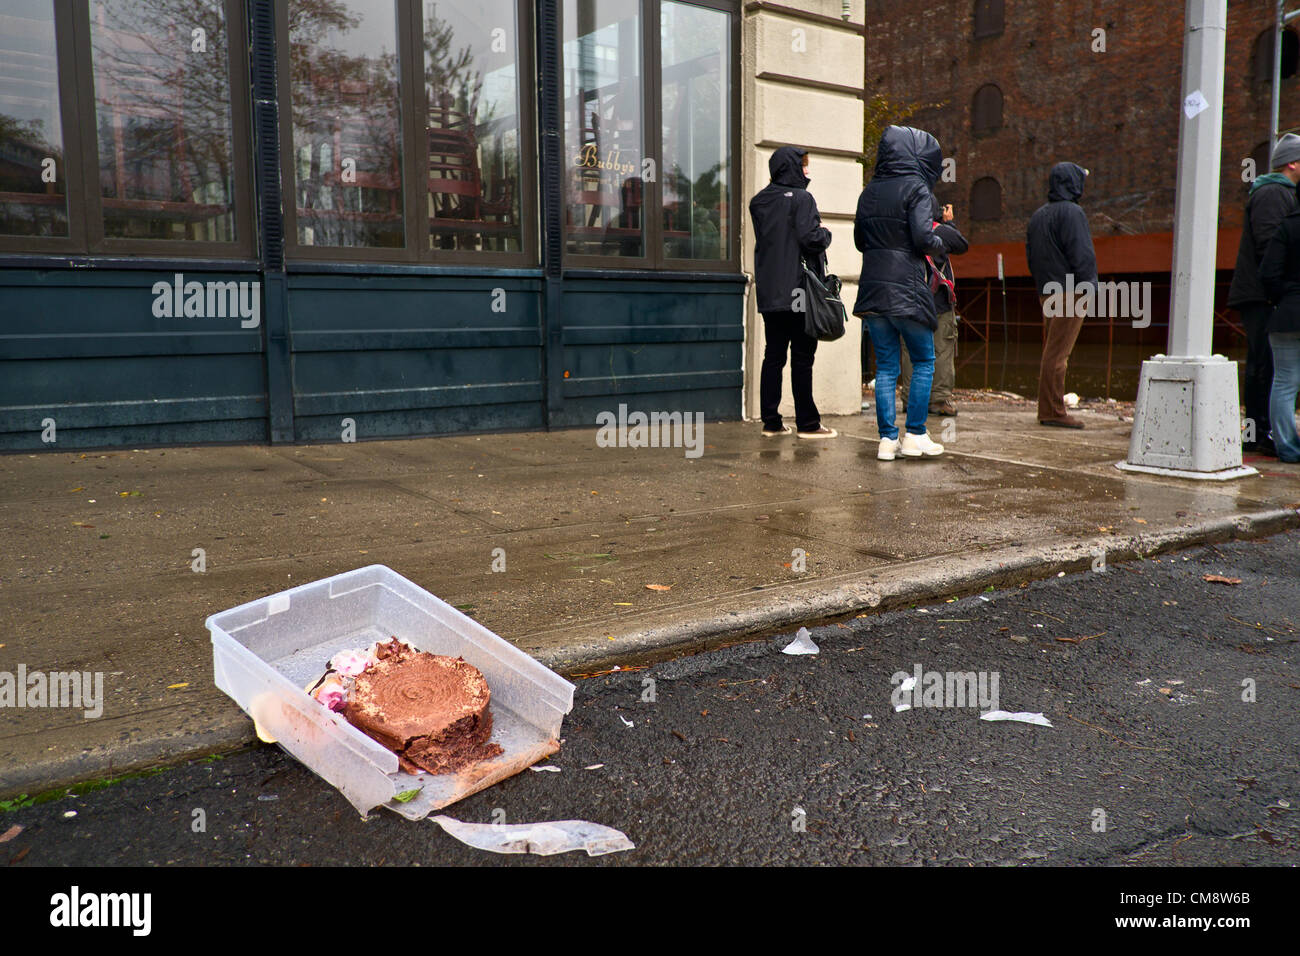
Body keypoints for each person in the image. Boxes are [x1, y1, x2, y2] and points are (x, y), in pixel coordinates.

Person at [853, 125, 948, 460]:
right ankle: (916, 434)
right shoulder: (918, 190)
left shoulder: (869, 192)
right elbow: (924, 239)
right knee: (923, 360)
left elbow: (859, 241)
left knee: (886, 368)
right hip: (907, 289)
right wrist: (943, 241)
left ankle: (886, 440)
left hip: (873, 291)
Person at [748, 146, 837, 438]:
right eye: (804, 165)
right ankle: (808, 424)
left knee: (773, 355)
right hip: (800, 290)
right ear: (792, 167)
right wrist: (825, 232)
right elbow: (810, 239)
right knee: (802, 356)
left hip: (771, 292)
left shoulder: (758, 202)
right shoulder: (802, 198)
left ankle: (771, 422)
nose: (807, 170)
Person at [1227, 133, 1300, 456]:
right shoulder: (1273, 193)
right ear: (1293, 163)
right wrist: (1280, 292)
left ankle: (1257, 432)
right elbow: (1270, 245)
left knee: (1265, 364)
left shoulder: (1278, 192)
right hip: (1262, 295)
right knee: (1263, 364)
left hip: (1262, 293)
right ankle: (1257, 432)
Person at [1026, 162, 1098, 429]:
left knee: (1052, 352)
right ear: (1073, 183)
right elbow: (1082, 254)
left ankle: (1049, 408)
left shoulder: (1038, 216)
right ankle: (1053, 411)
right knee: (1058, 355)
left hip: (1048, 293)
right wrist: (1090, 285)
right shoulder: (1073, 213)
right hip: (1070, 291)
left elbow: (1031, 257)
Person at [898, 195, 969, 418]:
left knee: (910, 350)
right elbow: (961, 245)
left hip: (907, 298)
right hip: (936, 301)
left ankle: (910, 400)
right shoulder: (937, 230)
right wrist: (948, 223)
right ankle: (938, 400)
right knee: (942, 349)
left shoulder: (901, 230)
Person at [1258, 177, 1300, 464]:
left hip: (1286, 316)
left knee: (1284, 382)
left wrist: (1285, 296)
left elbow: (1267, 274)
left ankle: (1287, 448)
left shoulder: (1287, 226)